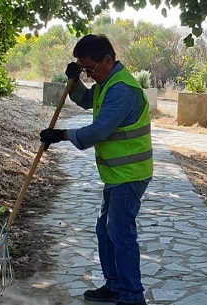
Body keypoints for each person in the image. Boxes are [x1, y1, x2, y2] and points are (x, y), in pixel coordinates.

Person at [39, 34, 153, 305]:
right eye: (83, 69)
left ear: (108, 60)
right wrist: (75, 82)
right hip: (116, 175)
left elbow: (100, 130)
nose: (89, 74)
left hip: (130, 175)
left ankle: (132, 296)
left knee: (120, 234)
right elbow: (88, 100)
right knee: (105, 230)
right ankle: (114, 285)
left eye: (90, 68)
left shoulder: (122, 89)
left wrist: (62, 135)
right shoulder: (106, 83)